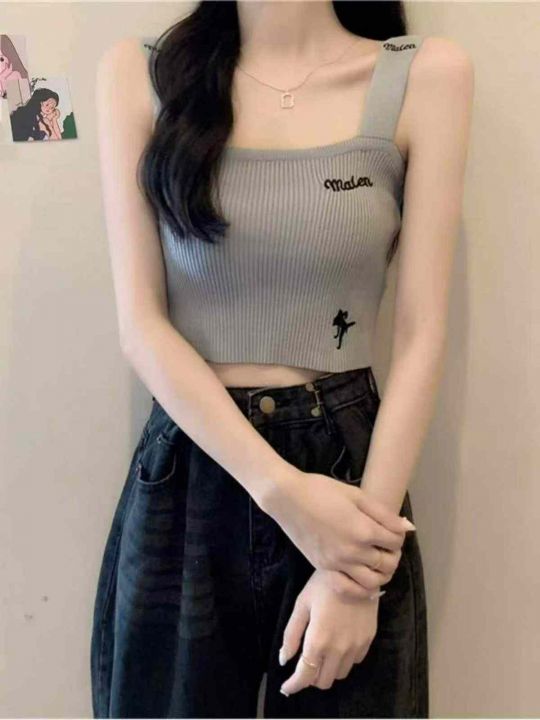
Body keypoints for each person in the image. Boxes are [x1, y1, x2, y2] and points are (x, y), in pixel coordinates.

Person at [90, 2, 474, 717]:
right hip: (193, 463)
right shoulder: (142, 75)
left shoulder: (424, 76)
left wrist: (357, 576)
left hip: (355, 474)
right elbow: (141, 324)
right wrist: (283, 494)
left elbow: (422, 332)